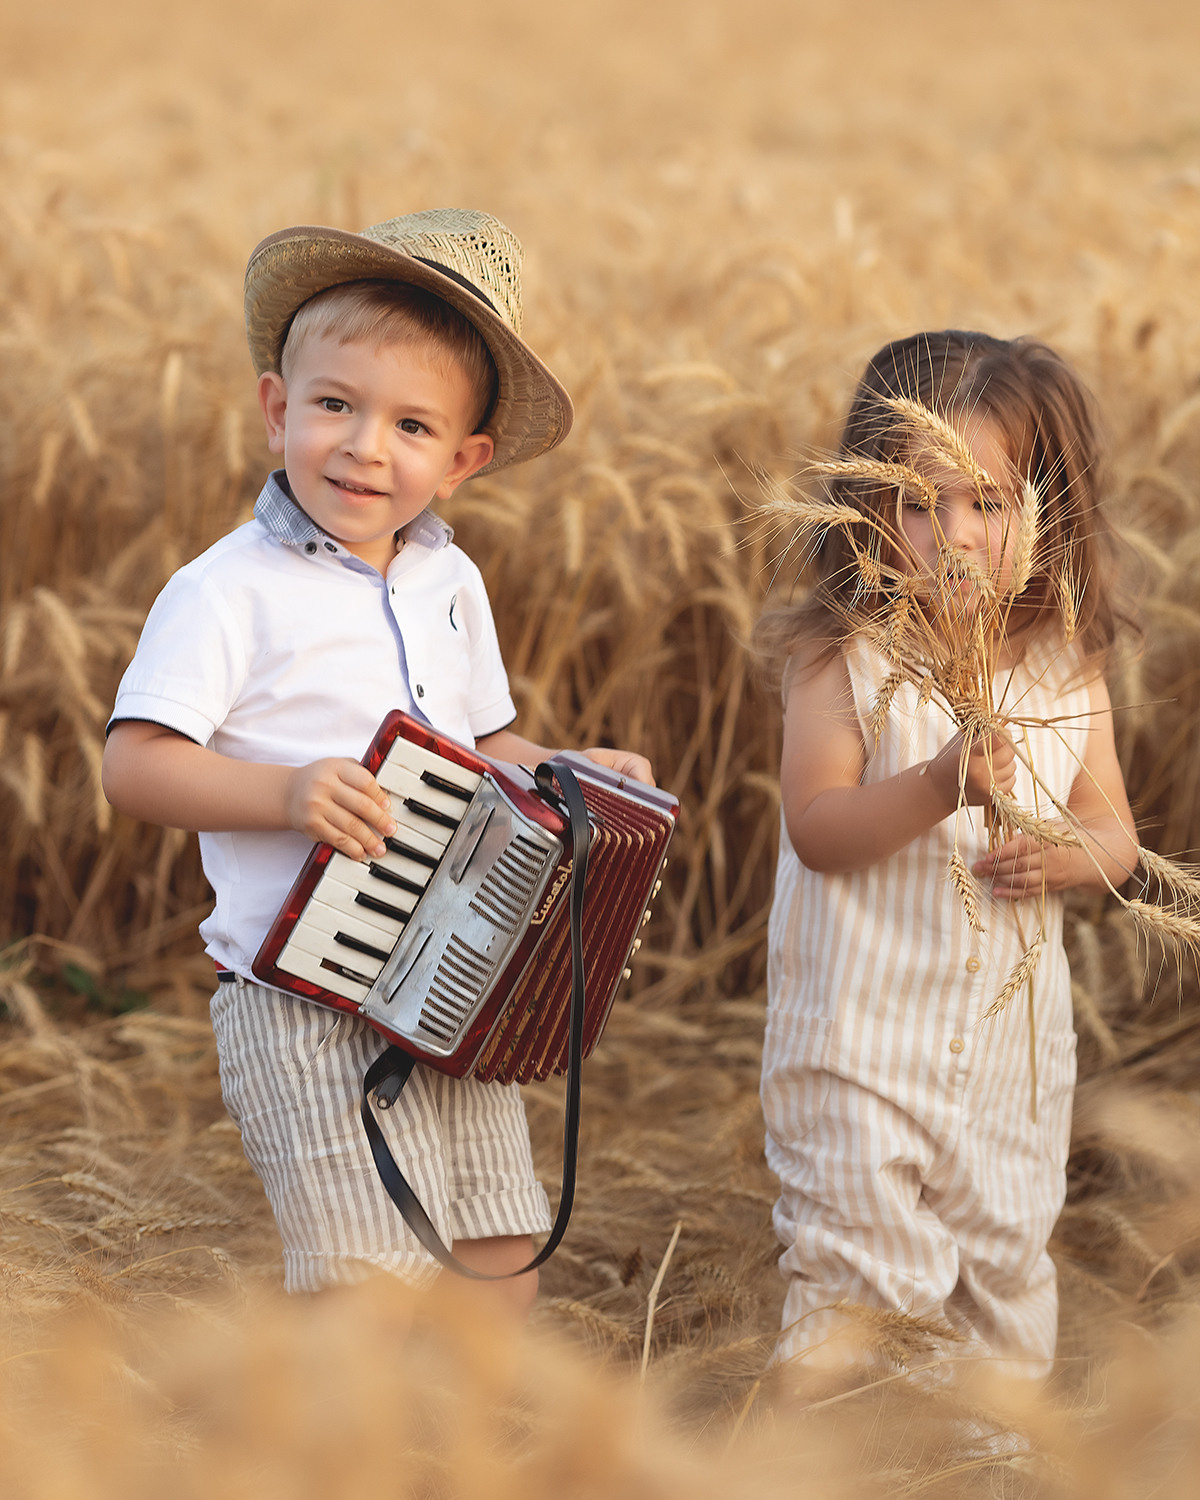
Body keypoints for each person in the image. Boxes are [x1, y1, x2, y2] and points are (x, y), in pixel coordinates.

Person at [102, 209, 652, 1315]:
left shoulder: (454, 584)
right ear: (277, 410)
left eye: (411, 426)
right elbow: (135, 765)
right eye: (336, 406)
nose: (364, 447)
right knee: (369, 1281)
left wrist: (569, 767)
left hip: (456, 967)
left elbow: (482, 747)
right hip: (302, 996)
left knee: (501, 1251)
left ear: (463, 460)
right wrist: (287, 793)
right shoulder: (226, 590)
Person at [755, 330, 1138, 1377]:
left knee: (1001, 1286)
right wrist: (938, 786)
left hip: (1009, 1069)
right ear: (866, 509)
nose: (954, 537)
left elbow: (1116, 835)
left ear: (1047, 508)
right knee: (857, 1293)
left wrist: (1067, 860)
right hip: (859, 1050)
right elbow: (819, 830)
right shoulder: (842, 654)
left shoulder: (1068, 667)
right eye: (919, 505)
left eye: (988, 502)